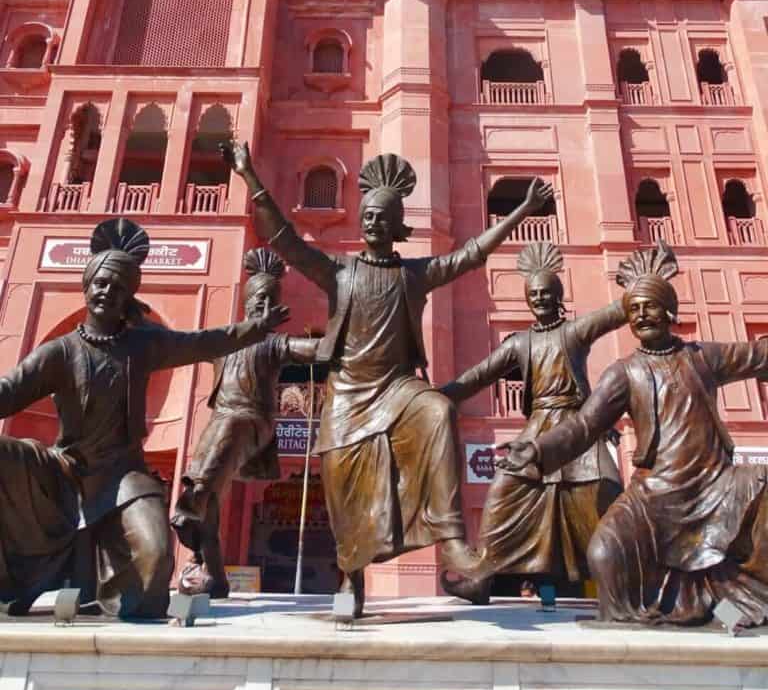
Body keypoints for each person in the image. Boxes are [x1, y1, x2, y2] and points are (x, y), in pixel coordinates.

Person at [224, 141, 553, 616]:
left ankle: (453, 542)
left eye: (384, 216)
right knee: (346, 493)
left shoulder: (414, 275)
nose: (374, 221)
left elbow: (471, 255)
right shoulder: (338, 272)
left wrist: (521, 210)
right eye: (369, 215)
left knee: (437, 408)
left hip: (398, 387)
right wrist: (250, 177)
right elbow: (285, 240)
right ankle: (351, 575)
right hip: (348, 393)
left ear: (398, 225)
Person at [0, 219, 288, 618]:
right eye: (101, 283)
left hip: (124, 476)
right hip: (65, 471)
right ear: (87, 287)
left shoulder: (144, 343)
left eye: (118, 287)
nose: (107, 291)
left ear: (128, 296)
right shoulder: (59, 353)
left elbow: (203, 342)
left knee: (152, 573)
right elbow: (9, 391)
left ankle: (106, 596)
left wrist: (254, 329)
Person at [500, 242, 768, 627]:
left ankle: (735, 606)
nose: (641, 315)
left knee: (762, 486)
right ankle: (640, 626)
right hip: (654, 492)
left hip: (715, 484)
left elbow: (758, 356)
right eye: (634, 309)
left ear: (669, 311)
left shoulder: (703, 356)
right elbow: (583, 426)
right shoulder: (624, 372)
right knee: (604, 553)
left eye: (650, 306)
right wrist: (537, 451)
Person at [440, 241, 624, 603]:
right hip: (538, 427)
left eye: (546, 292)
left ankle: (628, 582)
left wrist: (642, 287)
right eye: (534, 293)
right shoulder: (519, 343)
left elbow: (615, 313)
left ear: (558, 296)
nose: (539, 298)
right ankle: (481, 578)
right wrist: (434, 396)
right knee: (502, 492)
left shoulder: (575, 331)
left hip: (577, 428)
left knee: (605, 496)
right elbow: (477, 377)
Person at [172, 248, 320, 598]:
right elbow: (180, 345)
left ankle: (189, 512)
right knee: (211, 497)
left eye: (270, 298)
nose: (264, 304)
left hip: (251, 421)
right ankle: (213, 574)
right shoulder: (224, 341)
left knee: (211, 466)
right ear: (246, 302)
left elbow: (316, 350)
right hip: (222, 420)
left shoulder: (274, 344)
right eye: (258, 297)